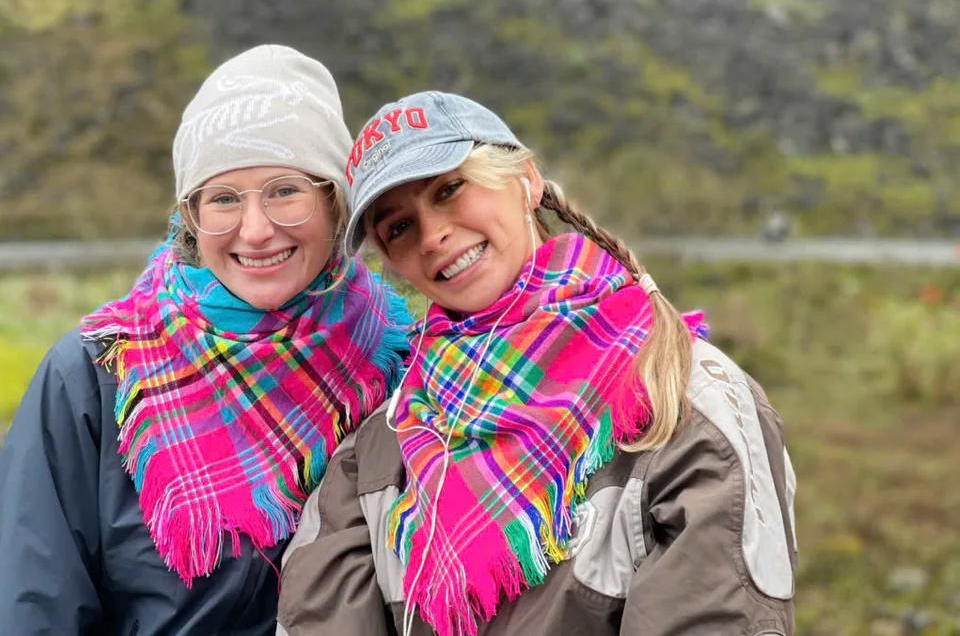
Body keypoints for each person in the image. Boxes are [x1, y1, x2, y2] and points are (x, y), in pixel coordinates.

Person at [277, 91, 797, 636]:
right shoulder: (379, 450)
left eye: (449, 190)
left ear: (525, 180)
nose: (432, 236)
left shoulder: (689, 398)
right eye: (399, 228)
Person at [0, 46, 412, 636]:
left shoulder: (400, 365)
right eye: (224, 199)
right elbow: (40, 611)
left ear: (335, 202)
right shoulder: (95, 377)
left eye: (285, 190)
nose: (257, 230)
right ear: (192, 216)